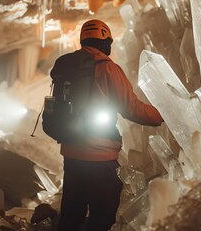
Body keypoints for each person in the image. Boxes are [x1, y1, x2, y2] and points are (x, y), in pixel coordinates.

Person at [50, 19, 163, 231]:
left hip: (71, 153)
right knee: (102, 216)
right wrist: (162, 115)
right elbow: (132, 108)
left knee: (71, 213)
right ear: (105, 42)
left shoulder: (68, 66)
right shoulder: (108, 68)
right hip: (100, 156)